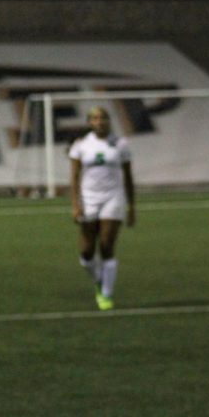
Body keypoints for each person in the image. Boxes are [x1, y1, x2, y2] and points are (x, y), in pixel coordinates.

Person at [68, 106, 135, 310]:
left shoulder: (120, 144)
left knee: (106, 245)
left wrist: (132, 206)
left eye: (103, 117)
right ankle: (98, 279)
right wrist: (75, 205)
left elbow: (128, 177)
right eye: (95, 118)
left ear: (109, 120)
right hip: (88, 199)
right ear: (89, 122)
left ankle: (106, 294)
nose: (99, 121)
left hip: (113, 198)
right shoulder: (81, 145)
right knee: (87, 251)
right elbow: (74, 177)